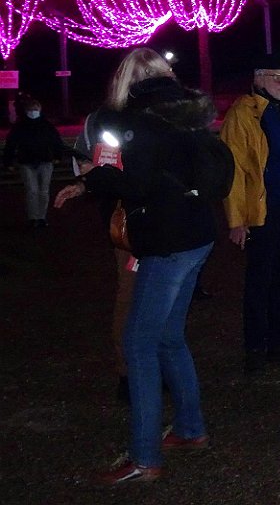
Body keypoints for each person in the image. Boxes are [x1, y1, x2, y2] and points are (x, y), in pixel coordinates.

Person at [54, 65, 227, 486]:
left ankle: (145, 458)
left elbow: (136, 182)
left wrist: (93, 178)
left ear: (131, 84)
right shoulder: (188, 115)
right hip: (198, 234)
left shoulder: (141, 122)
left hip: (167, 241)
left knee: (138, 343)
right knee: (168, 336)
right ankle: (190, 428)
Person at [68, 49, 180, 403]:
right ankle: (129, 372)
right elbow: (89, 164)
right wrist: (91, 178)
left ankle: (156, 366)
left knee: (164, 300)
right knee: (132, 296)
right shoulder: (107, 120)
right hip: (130, 222)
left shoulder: (173, 116)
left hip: (168, 221)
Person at [220, 54, 280, 373]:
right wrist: (237, 219)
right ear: (257, 78)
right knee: (259, 280)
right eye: (275, 76)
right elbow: (233, 170)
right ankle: (255, 347)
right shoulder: (243, 114)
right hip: (263, 211)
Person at [3, 96, 63, 228]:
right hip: (27, 162)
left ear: (40, 110)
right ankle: (33, 217)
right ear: (26, 111)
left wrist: (58, 155)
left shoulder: (46, 125)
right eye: (31, 109)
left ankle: (42, 217)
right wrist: (8, 161)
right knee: (32, 191)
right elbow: (11, 144)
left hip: (45, 161)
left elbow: (56, 141)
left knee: (44, 191)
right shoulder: (20, 126)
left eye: (35, 109)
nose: (33, 112)